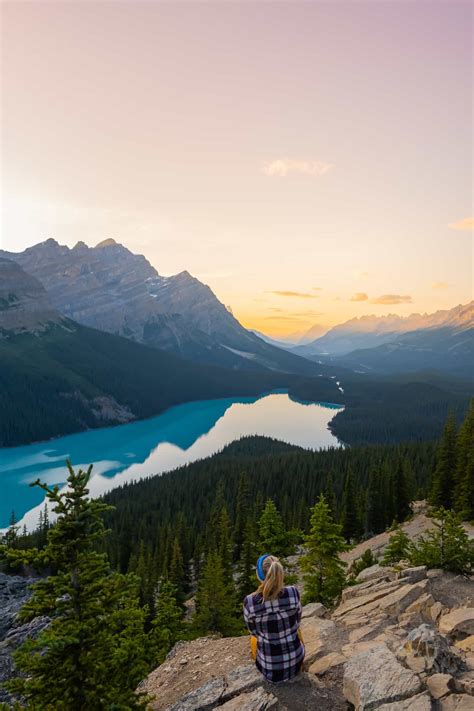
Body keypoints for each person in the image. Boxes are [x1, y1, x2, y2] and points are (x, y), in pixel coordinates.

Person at [243, 554, 305, 683]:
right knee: (297, 630)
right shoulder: (293, 592)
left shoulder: (250, 601)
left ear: (259, 575)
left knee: (253, 640)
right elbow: (297, 620)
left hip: (269, 669)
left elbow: (253, 631)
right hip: (296, 662)